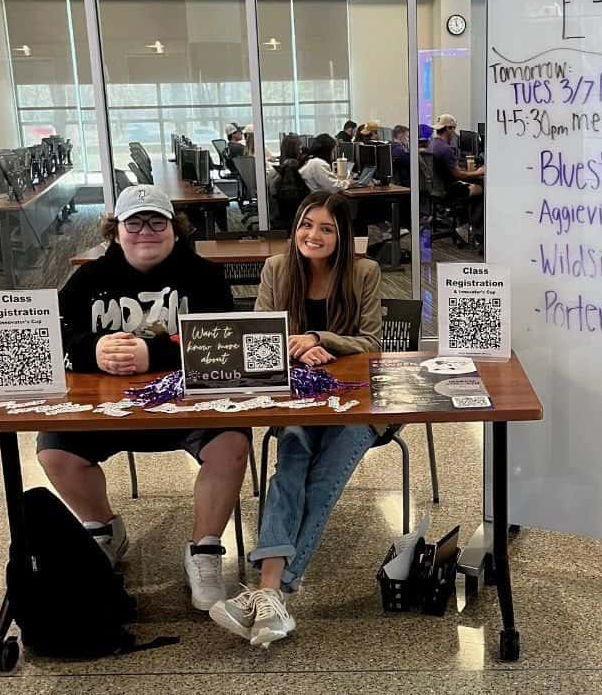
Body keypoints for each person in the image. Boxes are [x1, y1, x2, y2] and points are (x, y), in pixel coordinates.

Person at [37, 185, 250, 612]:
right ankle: (103, 529)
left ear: (174, 228)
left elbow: (228, 341)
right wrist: (91, 351)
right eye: (134, 222)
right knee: (54, 450)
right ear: (116, 231)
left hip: (188, 408)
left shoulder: (205, 276)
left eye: (157, 221)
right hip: (107, 409)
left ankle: (205, 551)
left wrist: (155, 354)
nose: (145, 231)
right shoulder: (88, 278)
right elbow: (51, 331)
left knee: (232, 443)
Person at [209, 191, 381, 647]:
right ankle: (273, 596)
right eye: (308, 224)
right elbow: (257, 335)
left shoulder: (364, 272)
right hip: (297, 398)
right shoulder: (277, 270)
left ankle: (271, 592)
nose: (314, 235)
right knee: (292, 462)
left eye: (327, 228)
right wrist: (295, 348)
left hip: (358, 402)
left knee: (322, 478)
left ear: (342, 235)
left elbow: (372, 342)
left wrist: (319, 337)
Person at [430, 113, 484, 242]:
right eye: (453, 129)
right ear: (448, 129)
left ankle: (464, 224)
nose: (454, 133)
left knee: (472, 187)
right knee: (482, 189)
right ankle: (476, 232)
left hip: (435, 190)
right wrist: (478, 172)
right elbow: (459, 174)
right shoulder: (445, 149)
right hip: (448, 191)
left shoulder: (432, 144)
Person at [268, 133, 310, 231]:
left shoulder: (274, 172)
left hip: (277, 222)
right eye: (299, 148)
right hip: (296, 222)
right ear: (294, 151)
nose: (301, 151)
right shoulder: (295, 171)